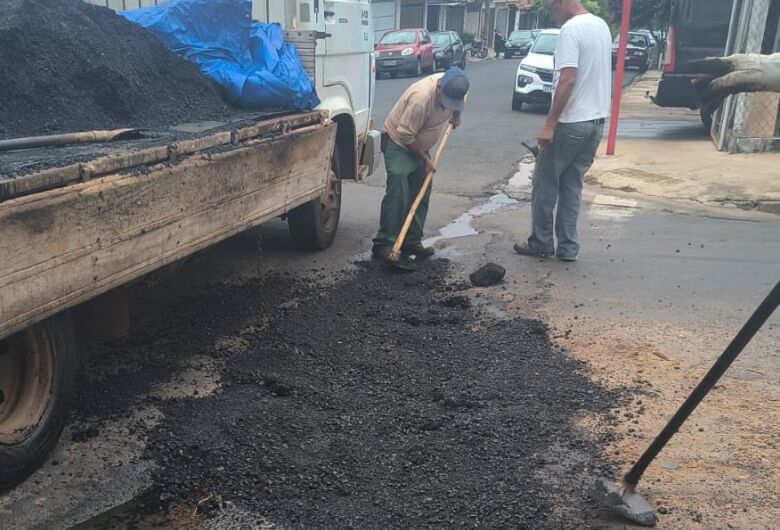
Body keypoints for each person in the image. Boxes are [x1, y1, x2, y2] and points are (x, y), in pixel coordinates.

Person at [513, 0, 611, 262]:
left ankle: (541, 243)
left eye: (550, 6)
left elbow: (568, 80)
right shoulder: (600, 25)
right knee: (571, 186)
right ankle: (568, 248)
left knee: (544, 182)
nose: (550, 12)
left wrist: (549, 124)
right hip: (595, 123)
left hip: (571, 122)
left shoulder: (571, 30)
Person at [372, 67, 469, 262]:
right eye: (447, 101)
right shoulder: (421, 98)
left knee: (421, 191)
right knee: (399, 189)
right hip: (398, 142)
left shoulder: (457, 85)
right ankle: (385, 244)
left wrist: (456, 115)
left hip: (419, 146)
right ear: (439, 88)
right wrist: (425, 159)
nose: (449, 105)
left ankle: (411, 242)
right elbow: (405, 135)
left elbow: (461, 99)